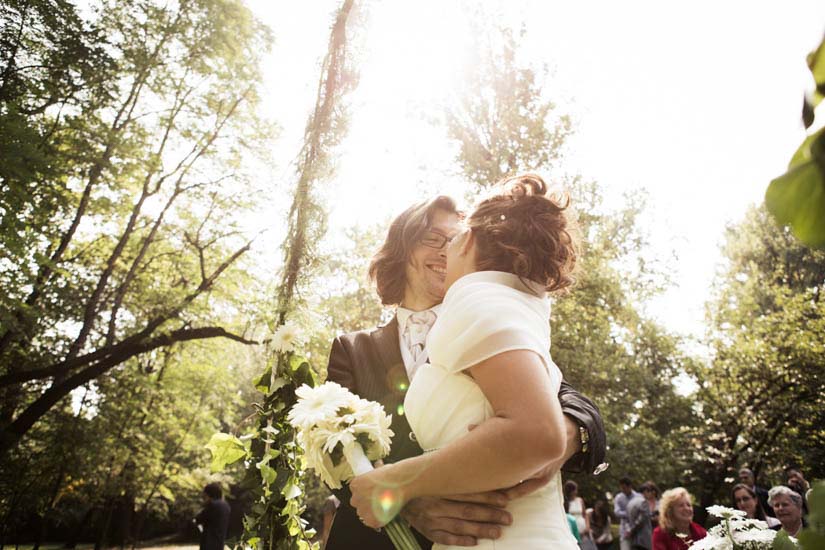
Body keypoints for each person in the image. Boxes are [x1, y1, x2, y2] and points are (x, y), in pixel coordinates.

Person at [325, 188, 607, 550]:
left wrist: (566, 437)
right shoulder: (352, 349)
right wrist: (406, 501)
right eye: (433, 238)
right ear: (402, 248)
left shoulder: (490, 310)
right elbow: (336, 453)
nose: (446, 248)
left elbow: (571, 410)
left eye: (454, 237)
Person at [194, 483, 231, 550]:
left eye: (205, 495)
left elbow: (197, 519)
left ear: (209, 494)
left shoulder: (212, 505)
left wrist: (205, 504)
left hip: (208, 544)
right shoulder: (226, 506)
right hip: (220, 543)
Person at [615, 477, 641, 550]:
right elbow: (617, 512)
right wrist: (630, 513)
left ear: (630, 486)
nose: (622, 490)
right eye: (621, 488)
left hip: (637, 532)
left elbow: (641, 514)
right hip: (624, 531)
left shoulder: (638, 497)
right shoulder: (619, 497)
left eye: (624, 488)